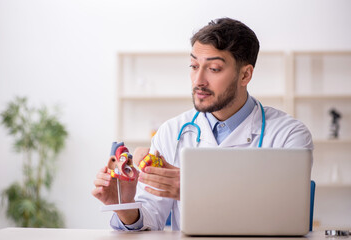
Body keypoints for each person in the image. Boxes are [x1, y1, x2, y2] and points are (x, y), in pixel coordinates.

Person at [92, 17, 313, 231]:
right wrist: (123, 205)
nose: (198, 80)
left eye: (214, 69)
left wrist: (196, 188)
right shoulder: (171, 133)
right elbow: (151, 217)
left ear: (245, 75)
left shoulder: (288, 135)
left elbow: (283, 216)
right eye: (194, 66)